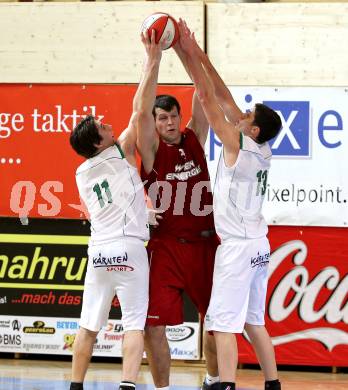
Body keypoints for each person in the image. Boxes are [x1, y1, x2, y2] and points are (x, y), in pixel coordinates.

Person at [177, 19, 282, 390]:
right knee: (254, 321)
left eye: (248, 116)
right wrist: (198, 52)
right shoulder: (261, 145)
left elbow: (207, 100)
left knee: (221, 324)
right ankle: (273, 385)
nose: (242, 114)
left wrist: (182, 53)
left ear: (252, 129)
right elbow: (221, 93)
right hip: (259, 246)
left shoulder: (238, 145)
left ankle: (226, 386)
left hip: (238, 248)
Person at [136, 30, 219, 390]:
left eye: (173, 116)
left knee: (218, 321)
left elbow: (206, 93)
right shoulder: (152, 152)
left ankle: (214, 380)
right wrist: (152, 59)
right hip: (167, 246)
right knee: (153, 324)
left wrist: (189, 51)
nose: (169, 123)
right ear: (155, 125)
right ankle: (163, 389)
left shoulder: (195, 138)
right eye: (163, 118)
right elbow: (140, 110)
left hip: (205, 245)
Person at [68, 74, 150, 389]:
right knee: (133, 326)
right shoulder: (118, 151)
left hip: (99, 250)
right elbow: (140, 110)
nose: (105, 124)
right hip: (128, 247)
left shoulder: (80, 171)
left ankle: (76, 385)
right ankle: (127, 384)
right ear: (99, 143)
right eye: (100, 126)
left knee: (88, 326)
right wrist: (151, 59)